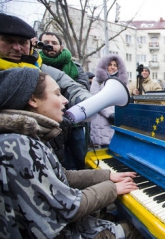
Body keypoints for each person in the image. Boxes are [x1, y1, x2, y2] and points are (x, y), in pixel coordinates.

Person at [0, 67, 139, 239]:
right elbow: (69, 207)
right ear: (33, 100)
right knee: (135, 229)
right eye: (57, 94)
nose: (65, 100)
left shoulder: (25, 136)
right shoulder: (19, 144)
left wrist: (107, 176)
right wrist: (113, 188)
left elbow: (62, 175)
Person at [0, 13, 92, 168]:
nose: (16, 47)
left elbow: (72, 86)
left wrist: (86, 102)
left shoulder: (39, 67)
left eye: (22, 42)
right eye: (9, 41)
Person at [38, 31, 90, 170]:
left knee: (81, 157)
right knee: (60, 162)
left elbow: (82, 87)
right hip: (50, 124)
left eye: (54, 43)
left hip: (75, 123)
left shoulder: (75, 67)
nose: (50, 46)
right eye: (46, 43)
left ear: (61, 47)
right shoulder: (36, 66)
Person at [90, 54, 128, 148]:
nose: (112, 67)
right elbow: (96, 100)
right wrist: (110, 114)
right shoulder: (97, 80)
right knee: (104, 149)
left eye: (115, 65)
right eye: (110, 64)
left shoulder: (121, 82)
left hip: (117, 119)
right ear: (105, 65)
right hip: (102, 119)